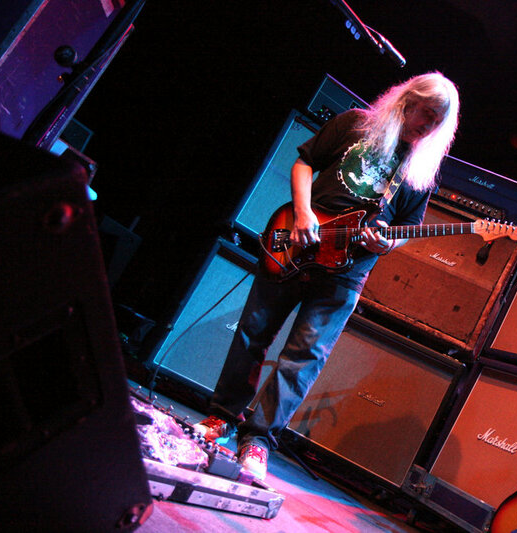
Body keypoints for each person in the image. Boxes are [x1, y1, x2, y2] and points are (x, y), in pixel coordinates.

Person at [194, 72, 460, 481]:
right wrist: (302, 212)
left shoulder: (420, 171)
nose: (427, 125)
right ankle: (221, 418)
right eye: (426, 113)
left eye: (437, 122)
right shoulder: (356, 124)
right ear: (409, 98)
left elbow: (407, 227)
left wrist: (388, 245)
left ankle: (258, 441)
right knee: (253, 333)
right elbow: (304, 162)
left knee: (304, 357)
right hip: (297, 240)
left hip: (346, 273)